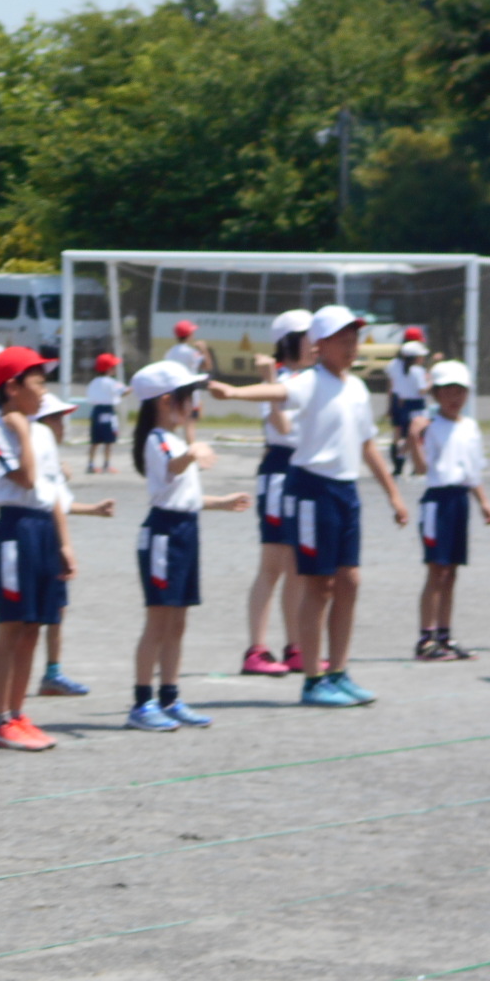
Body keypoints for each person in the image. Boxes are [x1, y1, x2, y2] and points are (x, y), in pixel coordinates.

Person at [210, 305, 409, 708]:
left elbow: (368, 445)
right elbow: (279, 392)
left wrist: (393, 494)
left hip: (345, 492)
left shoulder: (357, 388)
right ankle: (313, 680)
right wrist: (234, 392)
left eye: (355, 338)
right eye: (343, 339)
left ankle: (339, 670)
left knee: (349, 582)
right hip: (311, 490)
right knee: (319, 585)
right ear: (319, 345)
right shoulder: (310, 381)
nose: (352, 345)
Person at [124, 362, 250, 731]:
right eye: (188, 396)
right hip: (164, 535)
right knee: (158, 621)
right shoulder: (158, 440)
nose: (194, 403)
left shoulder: (175, 440)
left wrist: (221, 502)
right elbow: (174, 469)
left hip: (184, 530)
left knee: (178, 621)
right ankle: (142, 702)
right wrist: (193, 451)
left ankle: (170, 696)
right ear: (165, 401)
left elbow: (183, 494)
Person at [0, 346, 76, 751]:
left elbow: (52, 492)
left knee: (34, 627)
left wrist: (65, 542)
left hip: (42, 531)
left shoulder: (41, 432)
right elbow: (28, 479)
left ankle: (18, 713)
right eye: (37, 382)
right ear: (12, 387)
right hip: (14, 532)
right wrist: (20, 430)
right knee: (11, 627)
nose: (44, 390)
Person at [407, 361, 490, 661]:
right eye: (447, 391)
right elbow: (421, 468)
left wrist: (483, 502)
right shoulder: (430, 426)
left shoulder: (469, 426)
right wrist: (413, 438)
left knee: (453, 571)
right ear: (436, 394)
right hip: (438, 500)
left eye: (460, 391)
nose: (454, 397)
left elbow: (472, 472)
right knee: (437, 569)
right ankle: (425, 638)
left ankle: (445, 635)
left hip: (460, 499)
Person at [242, 310, 313, 677]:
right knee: (271, 567)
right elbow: (281, 426)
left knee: (298, 569)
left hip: (302, 471)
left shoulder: (312, 379)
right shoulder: (278, 380)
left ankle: (296, 646)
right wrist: (269, 382)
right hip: (279, 472)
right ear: (291, 340)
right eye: (308, 336)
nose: (316, 343)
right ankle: (256, 649)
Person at [34, 391, 115, 695]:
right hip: (45, 539)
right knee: (35, 611)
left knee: (56, 608)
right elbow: (48, 503)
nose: (63, 424)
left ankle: (53, 672)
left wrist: (93, 509)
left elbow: (61, 503)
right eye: (56, 418)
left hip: (52, 536)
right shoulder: (40, 456)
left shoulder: (51, 458)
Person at [385, 334, 429, 475]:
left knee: (399, 434)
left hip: (400, 403)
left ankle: (398, 463)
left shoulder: (395, 366)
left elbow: (392, 386)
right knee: (416, 436)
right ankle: (413, 462)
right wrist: (432, 382)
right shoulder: (417, 371)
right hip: (417, 406)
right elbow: (422, 390)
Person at [164, 320, 212, 436]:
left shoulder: (170, 352)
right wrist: (204, 349)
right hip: (189, 389)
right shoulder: (191, 352)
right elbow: (207, 366)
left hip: (173, 388)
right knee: (190, 422)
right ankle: (191, 447)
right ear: (189, 334)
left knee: (172, 423)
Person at [84, 352, 127, 474]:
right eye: (113, 367)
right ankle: (106, 464)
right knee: (109, 440)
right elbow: (123, 391)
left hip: (96, 411)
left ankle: (91, 464)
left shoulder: (93, 382)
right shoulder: (111, 382)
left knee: (95, 440)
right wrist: (130, 390)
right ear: (108, 369)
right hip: (108, 411)